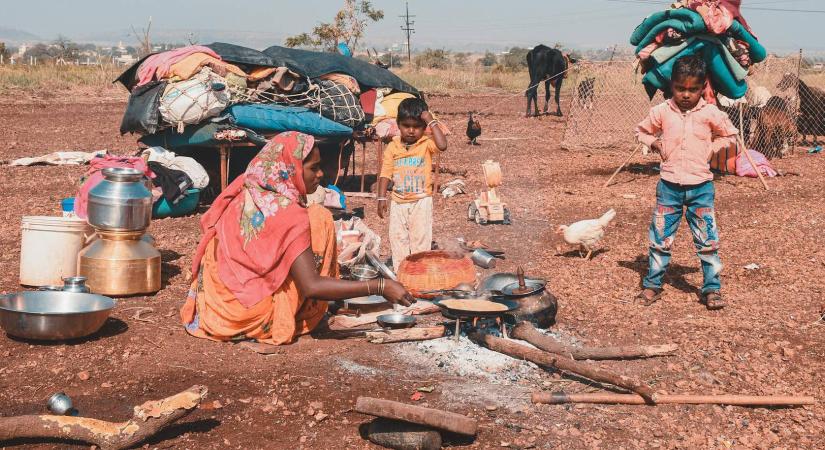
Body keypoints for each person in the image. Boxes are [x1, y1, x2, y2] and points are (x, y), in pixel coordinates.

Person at [181, 132, 414, 346]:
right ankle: (301, 313)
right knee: (320, 218)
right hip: (249, 317)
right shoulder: (289, 214)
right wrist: (380, 286)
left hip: (215, 308)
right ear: (289, 170)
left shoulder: (248, 187)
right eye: (314, 168)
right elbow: (311, 286)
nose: (320, 175)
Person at [634, 55, 738, 310]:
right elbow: (641, 130)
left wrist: (712, 149)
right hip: (668, 187)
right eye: (681, 88)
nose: (686, 94)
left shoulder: (710, 113)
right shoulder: (661, 112)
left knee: (707, 241)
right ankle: (653, 285)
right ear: (672, 85)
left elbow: (732, 137)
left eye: (693, 89)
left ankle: (712, 288)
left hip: (701, 188)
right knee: (660, 238)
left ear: (703, 87)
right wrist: (654, 143)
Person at [376, 98, 448, 270]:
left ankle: (419, 273)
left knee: (420, 239)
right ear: (398, 125)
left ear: (424, 128)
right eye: (406, 126)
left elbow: (443, 145)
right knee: (398, 238)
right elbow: (385, 172)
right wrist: (381, 197)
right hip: (398, 202)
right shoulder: (393, 147)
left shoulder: (426, 144)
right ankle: (402, 273)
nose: (411, 131)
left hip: (421, 201)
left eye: (416, 127)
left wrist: (431, 120)